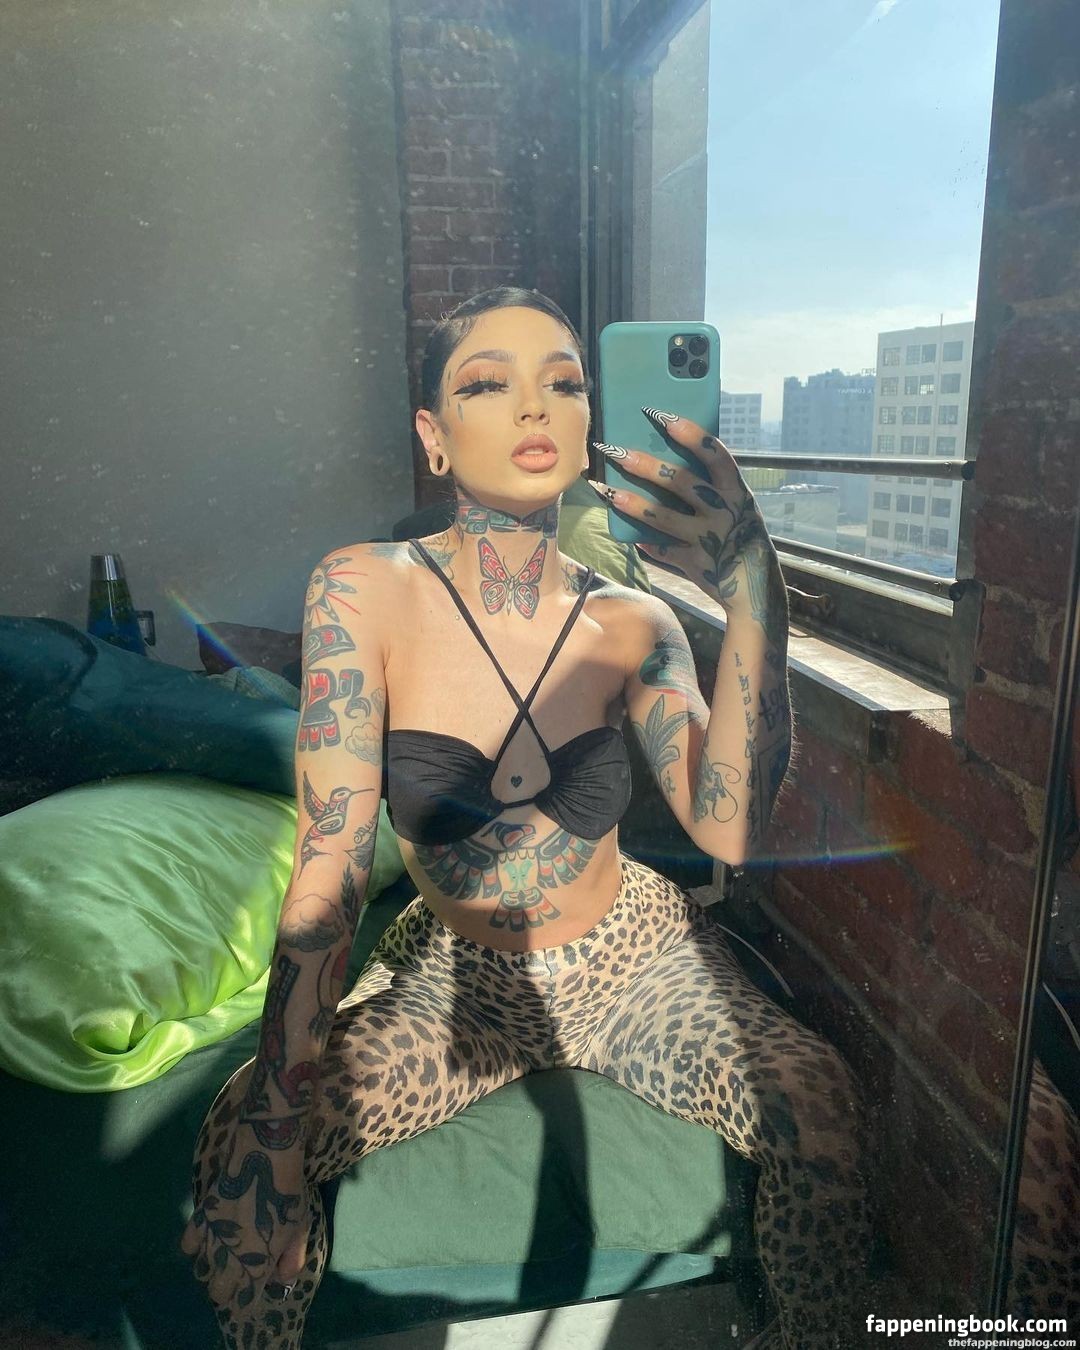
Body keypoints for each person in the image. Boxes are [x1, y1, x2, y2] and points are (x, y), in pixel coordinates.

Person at [181, 287, 871, 1349]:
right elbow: (329, 863)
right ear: (433, 436)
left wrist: (751, 587)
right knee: (242, 1152)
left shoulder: (634, 620)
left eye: (564, 383)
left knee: (814, 1103)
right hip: (460, 978)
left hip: (633, 961)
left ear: (590, 422)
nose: (534, 407)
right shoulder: (361, 591)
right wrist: (276, 1123)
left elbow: (727, 828)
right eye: (487, 385)